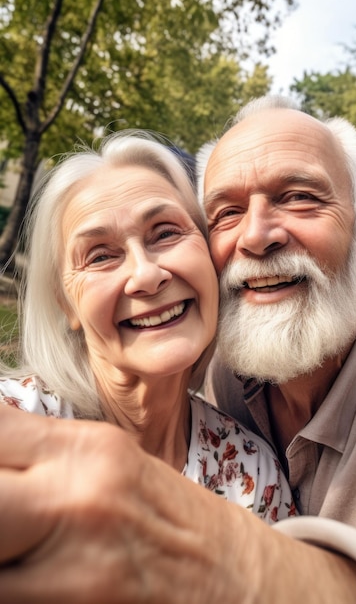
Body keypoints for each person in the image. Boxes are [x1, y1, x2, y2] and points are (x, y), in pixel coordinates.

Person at [0, 97, 356, 603]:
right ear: (66, 300)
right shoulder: (20, 422)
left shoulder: (249, 466)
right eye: (228, 212)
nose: (257, 236)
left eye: (299, 196)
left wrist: (229, 558)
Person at [0, 129, 295, 523]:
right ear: (65, 302)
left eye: (166, 233)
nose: (146, 274)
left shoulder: (253, 474)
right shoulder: (15, 428)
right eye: (101, 256)